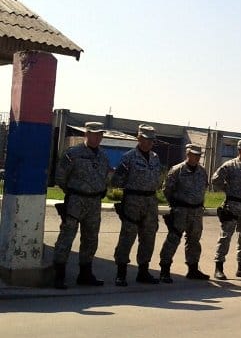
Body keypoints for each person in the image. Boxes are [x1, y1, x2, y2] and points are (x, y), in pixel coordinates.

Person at [52, 122, 111, 289]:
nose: (97, 137)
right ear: (87, 133)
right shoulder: (73, 153)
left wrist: (101, 189)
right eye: (94, 134)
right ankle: (59, 275)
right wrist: (72, 192)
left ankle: (85, 274)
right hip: (75, 201)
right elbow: (60, 177)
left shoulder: (103, 156)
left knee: (91, 239)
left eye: (100, 134)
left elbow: (105, 177)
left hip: (94, 203)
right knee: (66, 237)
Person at [111, 124, 162, 286]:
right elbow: (117, 180)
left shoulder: (155, 158)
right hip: (133, 201)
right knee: (127, 236)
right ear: (139, 138)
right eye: (145, 139)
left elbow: (157, 178)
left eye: (151, 140)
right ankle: (121, 273)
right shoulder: (129, 157)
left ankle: (143, 271)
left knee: (148, 237)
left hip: (150, 202)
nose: (148, 143)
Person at [158, 143, 209, 283]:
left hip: (197, 211)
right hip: (181, 210)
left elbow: (204, 187)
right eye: (194, 154)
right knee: (173, 239)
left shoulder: (202, 171)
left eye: (199, 155)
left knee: (194, 240)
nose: (197, 157)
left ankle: (193, 269)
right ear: (188, 154)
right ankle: (165, 269)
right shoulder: (177, 170)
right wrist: (175, 205)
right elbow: (166, 189)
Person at [211, 139, 241, 280]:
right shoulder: (230, 166)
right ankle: (219, 267)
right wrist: (227, 189)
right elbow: (216, 180)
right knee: (226, 236)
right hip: (232, 206)